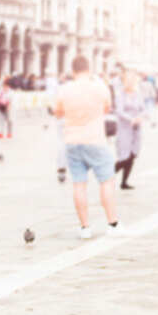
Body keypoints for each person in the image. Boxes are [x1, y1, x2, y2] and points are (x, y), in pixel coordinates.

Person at [54, 56, 120, 238]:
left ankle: (85, 228)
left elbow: (58, 112)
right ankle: (112, 224)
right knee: (106, 181)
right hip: (95, 139)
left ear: (73, 71)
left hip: (72, 141)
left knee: (79, 184)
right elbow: (107, 108)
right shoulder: (99, 87)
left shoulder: (64, 89)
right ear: (88, 69)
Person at [113, 69, 144, 190]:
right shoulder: (120, 94)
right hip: (125, 127)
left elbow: (143, 108)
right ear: (124, 81)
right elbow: (119, 111)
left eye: (133, 80)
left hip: (136, 128)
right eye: (129, 80)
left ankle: (124, 181)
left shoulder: (138, 94)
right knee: (124, 156)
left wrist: (140, 117)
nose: (131, 83)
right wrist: (131, 118)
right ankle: (107, 176)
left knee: (133, 154)